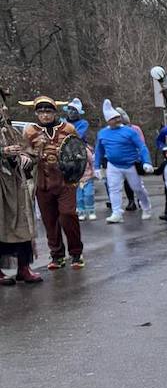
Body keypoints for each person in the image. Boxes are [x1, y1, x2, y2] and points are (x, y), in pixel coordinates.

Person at [23, 96, 85, 269]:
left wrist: (75, 170)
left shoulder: (68, 128)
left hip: (65, 181)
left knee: (67, 215)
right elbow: (25, 154)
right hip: (43, 182)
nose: (44, 115)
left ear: (55, 112)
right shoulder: (30, 131)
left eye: (48, 111)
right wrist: (36, 151)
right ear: (36, 113)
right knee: (49, 220)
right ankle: (57, 256)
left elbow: (78, 150)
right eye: (41, 112)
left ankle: (76, 253)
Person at [0, 93, 42, 285]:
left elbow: (29, 151)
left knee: (24, 224)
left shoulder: (11, 130)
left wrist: (26, 157)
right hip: (1, 186)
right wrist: (2, 152)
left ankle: (24, 268)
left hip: (17, 185)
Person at [94, 100, 153, 224]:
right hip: (113, 165)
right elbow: (99, 150)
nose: (117, 119)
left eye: (118, 117)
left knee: (137, 188)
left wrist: (146, 161)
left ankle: (146, 207)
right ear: (108, 120)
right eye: (114, 118)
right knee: (114, 188)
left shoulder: (130, 131)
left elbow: (142, 147)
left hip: (131, 164)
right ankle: (116, 213)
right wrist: (97, 167)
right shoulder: (102, 134)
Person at [65, 99, 97, 221]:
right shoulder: (63, 122)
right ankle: (80, 209)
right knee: (76, 192)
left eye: (74, 110)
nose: (71, 112)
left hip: (80, 145)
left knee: (88, 154)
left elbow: (79, 134)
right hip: (66, 147)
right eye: (70, 109)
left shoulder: (83, 122)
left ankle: (90, 209)